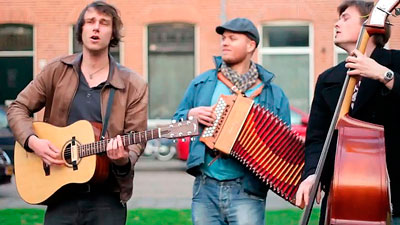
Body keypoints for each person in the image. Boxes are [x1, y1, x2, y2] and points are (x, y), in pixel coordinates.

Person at [7, 1, 148, 224]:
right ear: (80, 29)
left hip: (107, 199)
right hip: (59, 192)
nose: (96, 28)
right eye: (90, 22)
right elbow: (17, 108)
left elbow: (136, 141)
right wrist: (33, 142)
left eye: (104, 23)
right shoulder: (57, 70)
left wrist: (123, 159)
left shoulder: (134, 84)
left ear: (113, 33)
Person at [173, 17, 290, 225]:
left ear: (250, 45)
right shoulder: (202, 83)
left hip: (248, 189)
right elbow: (175, 126)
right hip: (205, 187)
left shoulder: (273, 94)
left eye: (232, 38)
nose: (224, 43)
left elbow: (284, 147)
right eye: (223, 38)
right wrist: (191, 114)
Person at [295, 0, 400, 224]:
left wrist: (385, 75)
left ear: (370, 24)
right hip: (342, 193)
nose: (336, 24)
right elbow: (317, 138)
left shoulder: (396, 63)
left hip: (393, 193)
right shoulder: (328, 79)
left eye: (345, 17)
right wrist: (313, 174)